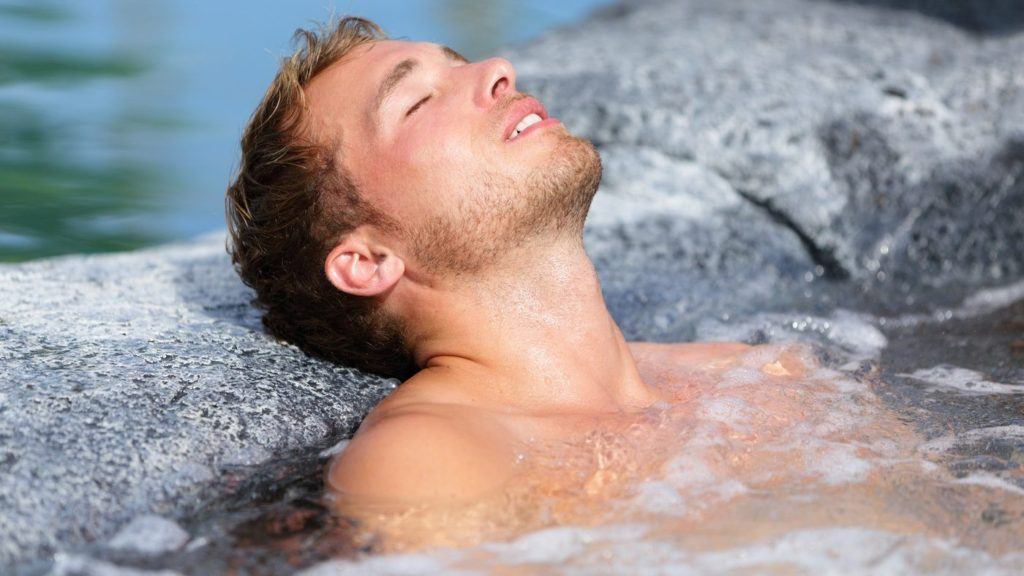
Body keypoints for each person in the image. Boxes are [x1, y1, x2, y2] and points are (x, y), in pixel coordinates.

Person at [225, 17, 807, 547]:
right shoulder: (426, 461)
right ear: (369, 261)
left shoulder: (755, 377)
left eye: (460, 63)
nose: (497, 69)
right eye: (418, 101)